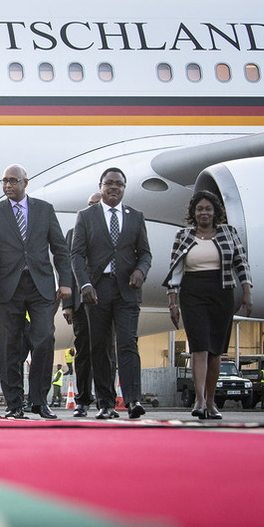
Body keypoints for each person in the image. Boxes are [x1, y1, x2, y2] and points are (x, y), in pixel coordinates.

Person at [0, 164, 72, 420]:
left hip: (41, 285)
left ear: (25, 183)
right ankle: (15, 403)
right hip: (9, 287)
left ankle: (40, 401)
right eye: (4, 181)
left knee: (45, 339)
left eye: (13, 181)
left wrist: (65, 282)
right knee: (10, 346)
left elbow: (60, 249)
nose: (8, 185)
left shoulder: (45, 209)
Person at [164, 189, 253, 420]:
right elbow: (175, 270)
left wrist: (247, 292)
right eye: (200, 208)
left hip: (221, 292)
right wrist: (172, 303)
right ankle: (200, 400)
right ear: (194, 212)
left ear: (216, 212)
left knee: (215, 351)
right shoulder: (183, 235)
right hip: (193, 293)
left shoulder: (228, 232)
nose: (204, 212)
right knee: (199, 347)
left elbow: (241, 263)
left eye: (208, 208)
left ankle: (212, 402)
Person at [71, 167, 152, 420]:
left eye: (119, 184)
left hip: (128, 289)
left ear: (124, 188)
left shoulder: (136, 217)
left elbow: (145, 253)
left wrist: (141, 270)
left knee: (128, 343)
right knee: (100, 348)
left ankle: (133, 400)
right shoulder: (86, 216)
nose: (114, 187)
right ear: (101, 186)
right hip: (97, 290)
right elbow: (76, 254)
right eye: (109, 183)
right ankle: (105, 404)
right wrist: (84, 285)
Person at [61, 191, 102, 418]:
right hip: (78, 303)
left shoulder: (113, 234)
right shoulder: (72, 234)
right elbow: (66, 268)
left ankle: (106, 401)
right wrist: (67, 304)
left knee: (105, 351)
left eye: (97, 204)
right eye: (89, 205)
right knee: (83, 352)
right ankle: (83, 400)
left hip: (104, 302)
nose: (92, 208)